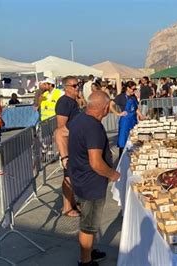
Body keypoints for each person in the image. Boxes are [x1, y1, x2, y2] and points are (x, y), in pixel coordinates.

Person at [68, 91, 120, 266]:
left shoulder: (78, 119)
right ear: (105, 108)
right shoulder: (94, 127)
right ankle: (85, 261)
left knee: (88, 221)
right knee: (89, 226)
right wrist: (113, 174)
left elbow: (60, 133)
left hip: (79, 178)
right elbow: (96, 163)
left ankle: (89, 252)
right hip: (91, 183)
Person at [54, 76, 81, 217]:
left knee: (73, 175)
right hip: (69, 145)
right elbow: (61, 128)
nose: (77, 88)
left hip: (75, 144)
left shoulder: (73, 101)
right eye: (74, 86)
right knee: (69, 176)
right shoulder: (64, 103)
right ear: (66, 87)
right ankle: (67, 207)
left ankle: (72, 203)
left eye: (78, 85)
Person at [110, 81, 145, 157]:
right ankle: (121, 159)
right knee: (123, 140)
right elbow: (111, 105)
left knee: (133, 138)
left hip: (133, 120)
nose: (134, 90)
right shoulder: (120, 97)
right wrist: (118, 113)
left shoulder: (133, 97)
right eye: (133, 89)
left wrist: (141, 115)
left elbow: (135, 109)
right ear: (127, 88)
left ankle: (133, 156)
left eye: (135, 89)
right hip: (125, 122)